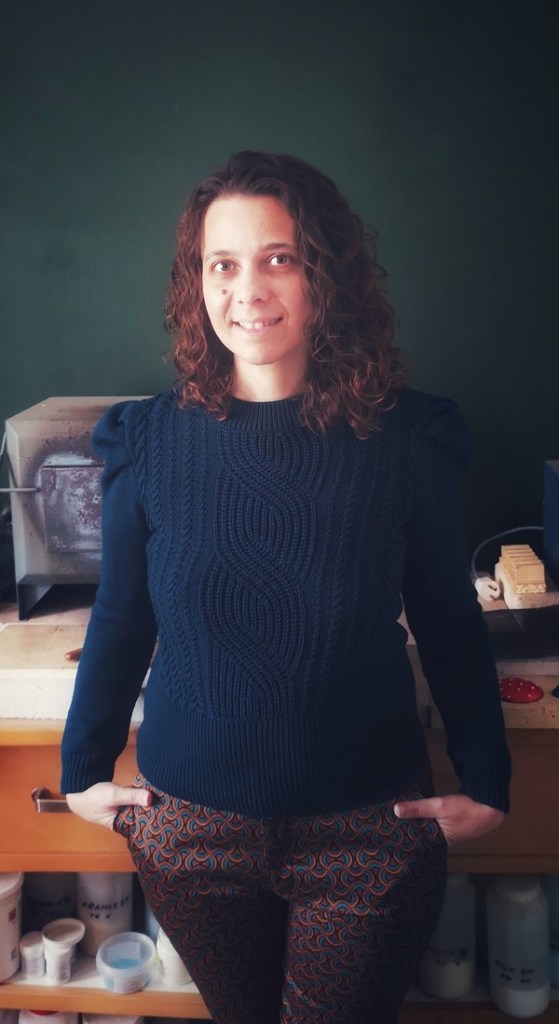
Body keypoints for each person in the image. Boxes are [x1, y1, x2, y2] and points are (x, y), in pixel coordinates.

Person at [61, 151, 511, 1024]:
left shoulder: (406, 439)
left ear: (325, 274)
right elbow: (121, 617)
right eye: (221, 264)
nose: (247, 290)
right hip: (189, 831)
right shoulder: (145, 442)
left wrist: (487, 777)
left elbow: (449, 622)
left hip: (368, 832)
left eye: (279, 258)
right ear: (197, 282)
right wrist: (81, 769)